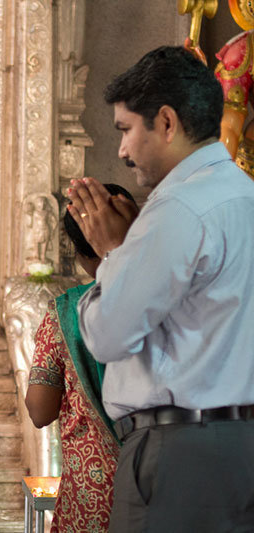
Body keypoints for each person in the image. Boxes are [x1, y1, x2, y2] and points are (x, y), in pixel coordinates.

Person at [67, 46, 254, 531]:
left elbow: (108, 335)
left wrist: (113, 253)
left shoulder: (178, 208)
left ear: (167, 123)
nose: (122, 150)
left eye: (126, 129)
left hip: (180, 456)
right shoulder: (244, 195)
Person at [25, 184, 136, 533]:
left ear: (81, 254)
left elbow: (40, 410)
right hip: (160, 481)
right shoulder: (172, 295)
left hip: (94, 492)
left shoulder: (66, 311)